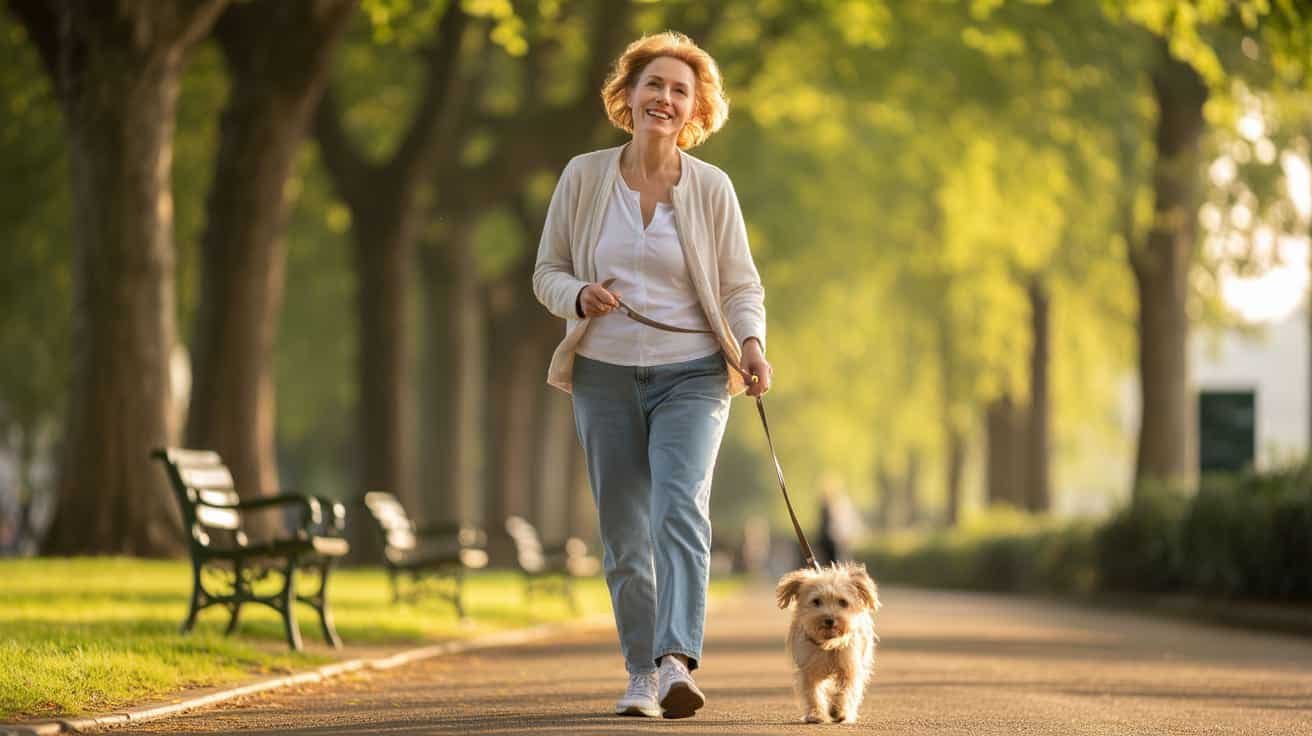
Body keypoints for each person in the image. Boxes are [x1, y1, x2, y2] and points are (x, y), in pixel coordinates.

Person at [532, 31, 770, 720]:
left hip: (692, 374)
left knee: (679, 507)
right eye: (653, 85)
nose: (664, 98)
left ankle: (675, 663)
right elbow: (546, 270)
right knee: (624, 533)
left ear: (695, 110)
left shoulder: (711, 189)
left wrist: (751, 343)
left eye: (679, 90)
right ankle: (639, 670)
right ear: (628, 96)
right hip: (603, 375)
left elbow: (739, 285)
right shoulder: (583, 177)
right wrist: (577, 296)